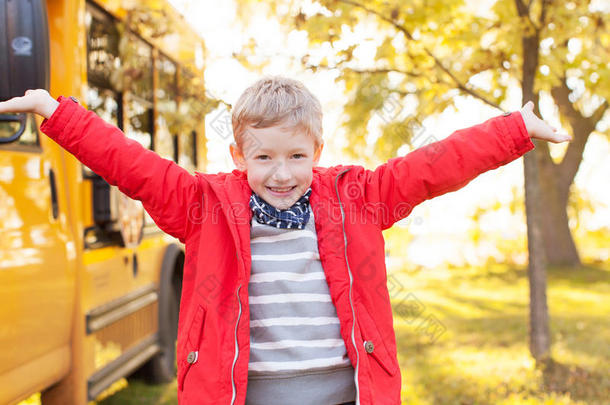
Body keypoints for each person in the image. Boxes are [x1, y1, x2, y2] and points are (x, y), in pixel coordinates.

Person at [0, 77, 570, 405]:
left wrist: (514, 129)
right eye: (264, 157)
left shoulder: (358, 199)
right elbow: (133, 165)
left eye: (296, 156)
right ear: (238, 155)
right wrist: (56, 112)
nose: (281, 172)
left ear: (317, 153)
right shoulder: (203, 208)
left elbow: (435, 166)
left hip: (344, 395)